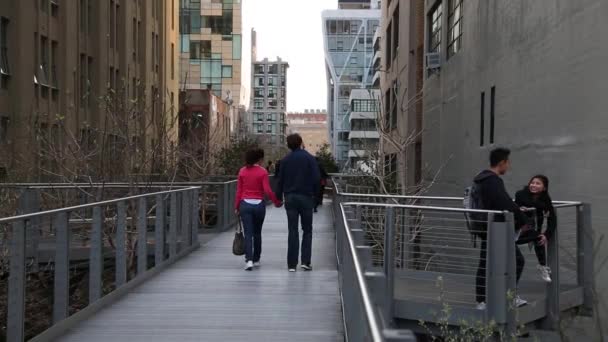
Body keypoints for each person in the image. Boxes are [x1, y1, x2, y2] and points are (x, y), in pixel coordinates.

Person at [473, 148, 530, 310]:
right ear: (502, 163)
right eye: (508, 162)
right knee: (517, 261)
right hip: (497, 228)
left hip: (486, 226)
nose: (509, 166)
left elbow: (502, 201)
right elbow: (504, 203)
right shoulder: (493, 180)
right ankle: (507, 297)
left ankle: (483, 301)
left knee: (486, 261)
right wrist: (523, 219)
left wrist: (517, 208)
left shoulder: (481, 178)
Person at [276, 134, 320, 272]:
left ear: (288, 145)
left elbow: (280, 180)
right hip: (306, 197)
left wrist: (278, 197)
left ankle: (291, 264)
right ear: (301, 142)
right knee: (307, 230)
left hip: (290, 198)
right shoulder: (309, 158)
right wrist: (316, 198)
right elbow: (317, 178)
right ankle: (305, 262)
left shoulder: (285, 160)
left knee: (292, 230)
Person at [235, 148, 282, 271]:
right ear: (259, 159)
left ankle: (248, 260)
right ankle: (256, 259)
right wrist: (276, 201)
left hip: (245, 204)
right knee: (257, 233)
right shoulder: (262, 172)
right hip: (259, 205)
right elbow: (267, 190)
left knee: (248, 233)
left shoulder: (242, 171)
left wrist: (236, 206)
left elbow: (239, 191)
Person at [515, 175, 557, 283]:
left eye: (538, 183)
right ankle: (543, 266)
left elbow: (552, 219)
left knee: (540, 238)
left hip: (529, 231)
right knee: (536, 237)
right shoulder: (521, 194)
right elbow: (529, 203)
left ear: (544, 188)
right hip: (515, 231)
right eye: (532, 182)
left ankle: (543, 266)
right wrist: (544, 207)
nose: (533, 185)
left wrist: (547, 235)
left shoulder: (545, 199)